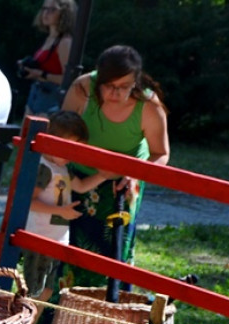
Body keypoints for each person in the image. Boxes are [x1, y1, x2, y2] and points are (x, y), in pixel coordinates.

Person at [61, 45, 169, 272]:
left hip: (122, 185)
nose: (115, 93)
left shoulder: (149, 105)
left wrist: (135, 175)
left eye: (124, 87)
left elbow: (160, 153)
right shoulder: (82, 88)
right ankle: (61, 304)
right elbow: (61, 131)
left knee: (115, 251)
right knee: (67, 247)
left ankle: (111, 304)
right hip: (80, 176)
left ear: (136, 82)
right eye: (109, 86)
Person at [21, 111, 106, 311]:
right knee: (35, 290)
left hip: (55, 239)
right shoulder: (44, 168)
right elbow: (28, 202)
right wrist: (61, 211)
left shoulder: (61, 168)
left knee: (47, 291)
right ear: (52, 142)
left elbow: (82, 186)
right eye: (68, 149)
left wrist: (104, 175)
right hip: (39, 237)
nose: (71, 155)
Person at [19, 0, 76, 117]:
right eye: (44, 8)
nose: (46, 13)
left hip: (50, 101)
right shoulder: (50, 38)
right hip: (35, 95)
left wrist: (41, 74)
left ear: (64, 13)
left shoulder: (65, 42)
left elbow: (68, 80)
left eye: (52, 9)